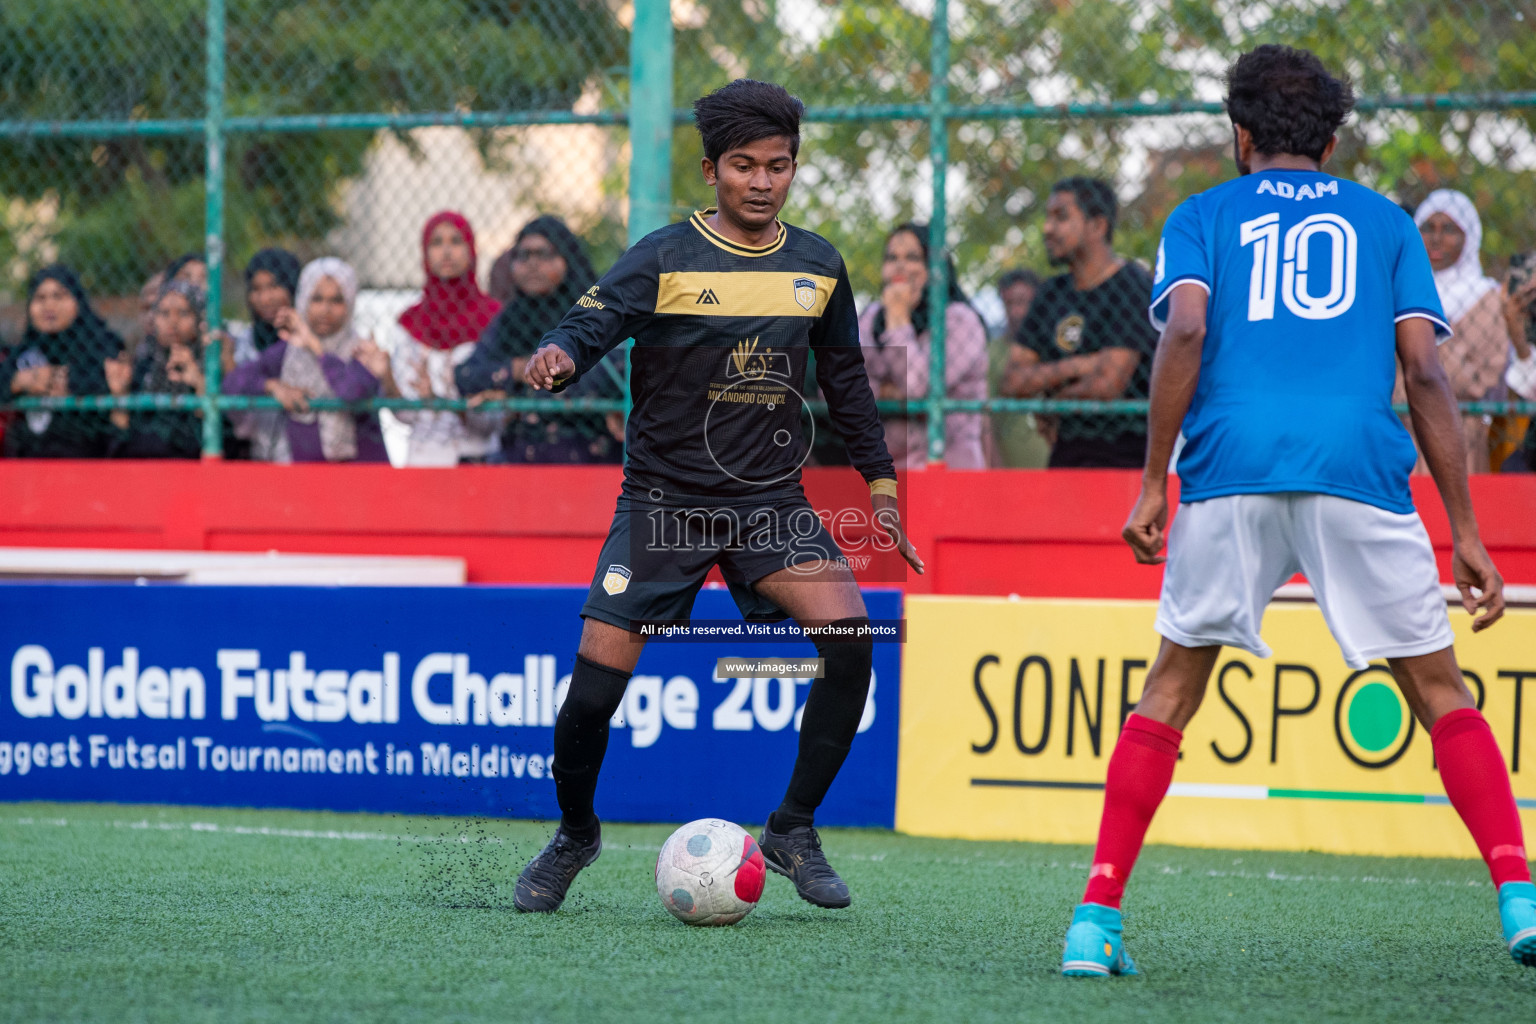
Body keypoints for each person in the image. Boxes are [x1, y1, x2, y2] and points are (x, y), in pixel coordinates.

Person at [1060, 44, 1532, 978]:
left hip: (1231, 465)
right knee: (1439, 692)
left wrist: (1154, 482)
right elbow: (1428, 372)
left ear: (1239, 134)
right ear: (1331, 135)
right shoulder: (1390, 224)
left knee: (1170, 689)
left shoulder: (1200, 217)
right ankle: (1522, 901)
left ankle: (1095, 921)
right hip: (1357, 466)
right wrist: (1467, 532)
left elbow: (1185, 329)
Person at [514, 79, 923, 914]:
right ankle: (575, 835)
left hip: (770, 502)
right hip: (662, 501)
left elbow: (846, 382)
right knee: (593, 693)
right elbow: (590, 322)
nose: (763, 182)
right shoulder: (662, 257)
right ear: (711, 170)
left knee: (851, 644)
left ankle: (793, 827)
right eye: (745, 166)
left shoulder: (818, 267)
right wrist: (558, 353)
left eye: (779, 166)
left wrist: (881, 486)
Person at [1001, 177, 1158, 467]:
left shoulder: (1131, 286)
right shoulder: (1051, 293)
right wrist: (1080, 365)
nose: (1048, 229)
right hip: (1065, 454)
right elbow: (1012, 380)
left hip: (1127, 457)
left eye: (1061, 217)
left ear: (1097, 226)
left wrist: (1050, 398)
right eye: (1048, 218)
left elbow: (1107, 384)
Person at [456, 216, 623, 464]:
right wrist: (516, 370)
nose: (532, 264)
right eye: (523, 255)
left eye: (544, 254)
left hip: (587, 457)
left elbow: (613, 371)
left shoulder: (593, 310)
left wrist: (520, 396)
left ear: (568, 259)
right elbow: (465, 375)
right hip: (521, 459)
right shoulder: (510, 320)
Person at [224, 258, 393, 463]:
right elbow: (233, 383)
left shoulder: (362, 350)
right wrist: (273, 386)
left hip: (362, 475)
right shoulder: (290, 352)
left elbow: (351, 393)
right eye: (317, 299)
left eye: (336, 300)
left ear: (350, 303)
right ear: (303, 300)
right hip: (307, 478)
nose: (326, 309)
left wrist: (316, 348)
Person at [1398, 190, 1513, 472]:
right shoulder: (1399, 292)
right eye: (1427, 228)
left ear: (1469, 236)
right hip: (1400, 432)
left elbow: (1481, 382)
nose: (1436, 238)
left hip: (1462, 434)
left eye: (1448, 229)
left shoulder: (1488, 299)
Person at [858, 222, 987, 469]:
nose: (900, 266)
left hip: (948, 469)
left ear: (933, 267)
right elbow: (839, 387)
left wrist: (897, 318)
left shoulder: (960, 320)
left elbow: (916, 388)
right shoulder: (870, 316)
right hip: (882, 472)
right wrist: (885, 392)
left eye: (913, 257)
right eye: (892, 257)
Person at [389, 211, 503, 466]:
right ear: (425, 253)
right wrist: (386, 377)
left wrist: (447, 403)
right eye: (437, 242)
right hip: (424, 459)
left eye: (456, 241)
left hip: (481, 456)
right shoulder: (409, 324)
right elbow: (405, 413)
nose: (446, 251)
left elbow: (497, 411)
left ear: (471, 249)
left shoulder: (496, 318)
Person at [0, 265, 126, 458]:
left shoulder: (101, 343)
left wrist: (69, 382)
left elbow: (105, 379)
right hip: (29, 456)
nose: (49, 305)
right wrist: (20, 381)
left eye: (59, 296)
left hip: (85, 452)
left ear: (77, 302)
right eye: (40, 298)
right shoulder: (25, 349)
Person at [107, 279, 209, 459]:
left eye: (184, 313)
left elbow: (211, 440)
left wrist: (199, 384)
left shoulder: (210, 364)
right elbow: (119, 441)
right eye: (164, 313)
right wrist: (119, 396)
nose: (173, 321)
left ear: (199, 318)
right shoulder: (142, 363)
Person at [226, 248, 303, 462]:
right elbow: (236, 393)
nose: (265, 298)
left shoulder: (307, 338)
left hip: (304, 457)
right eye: (256, 289)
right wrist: (268, 385)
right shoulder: (244, 341)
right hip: (259, 456)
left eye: (274, 286)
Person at [988, 267, 1050, 467]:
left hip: (1056, 464)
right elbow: (985, 418)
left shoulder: (1055, 349)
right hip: (1010, 468)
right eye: (1009, 304)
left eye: (1024, 303)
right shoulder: (991, 353)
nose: (1016, 312)